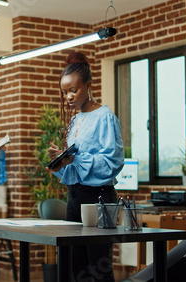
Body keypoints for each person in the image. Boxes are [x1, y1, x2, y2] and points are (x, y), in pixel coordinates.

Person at [47, 52, 124, 282]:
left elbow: (113, 162)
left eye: (74, 90)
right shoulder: (76, 119)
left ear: (88, 86)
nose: (69, 97)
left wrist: (75, 160)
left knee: (98, 268)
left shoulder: (105, 117)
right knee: (75, 267)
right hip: (75, 197)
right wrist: (59, 161)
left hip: (99, 199)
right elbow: (74, 166)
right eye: (65, 92)